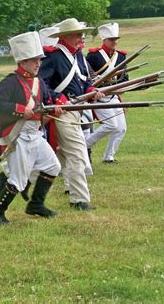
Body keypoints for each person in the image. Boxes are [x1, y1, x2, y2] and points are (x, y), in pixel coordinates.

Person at [0, 31, 62, 225]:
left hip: (35, 133)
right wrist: (20, 110)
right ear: (23, 62)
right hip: (18, 135)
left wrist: (59, 103)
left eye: (39, 60)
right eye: (34, 60)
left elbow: (49, 98)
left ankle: (36, 205)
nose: (38, 64)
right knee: (18, 181)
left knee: (53, 166)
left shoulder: (39, 81)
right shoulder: (10, 81)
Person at [40, 18, 104, 211]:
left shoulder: (78, 56)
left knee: (64, 154)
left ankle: (68, 187)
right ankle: (79, 199)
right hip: (61, 112)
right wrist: (57, 97)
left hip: (76, 110)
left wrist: (92, 90)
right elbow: (40, 84)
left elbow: (84, 81)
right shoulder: (53, 57)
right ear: (66, 36)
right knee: (77, 153)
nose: (80, 38)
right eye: (77, 35)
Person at [86, 22, 128, 163]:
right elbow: (87, 75)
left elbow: (125, 78)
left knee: (121, 128)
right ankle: (85, 145)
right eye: (111, 39)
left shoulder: (121, 57)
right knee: (111, 125)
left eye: (116, 39)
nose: (114, 42)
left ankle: (109, 156)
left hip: (114, 95)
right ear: (104, 40)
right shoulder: (93, 56)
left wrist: (118, 87)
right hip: (99, 96)